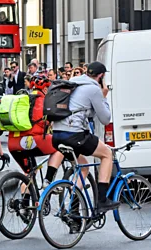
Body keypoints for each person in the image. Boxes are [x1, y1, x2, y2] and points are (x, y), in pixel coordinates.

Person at [52, 61, 118, 212]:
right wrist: (104, 97)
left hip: (57, 135)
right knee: (107, 154)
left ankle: (73, 209)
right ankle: (102, 200)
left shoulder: (73, 82)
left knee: (83, 168)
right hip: (75, 134)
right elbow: (105, 119)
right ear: (101, 76)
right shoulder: (94, 89)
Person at [8, 76, 65, 188]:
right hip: (34, 140)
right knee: (60, 148)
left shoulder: (22, 99)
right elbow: (48, 122)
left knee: (29, 174)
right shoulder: (45, 101)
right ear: (45, 89)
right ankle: (48, 181)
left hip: (14, 143)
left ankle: (25, 202)